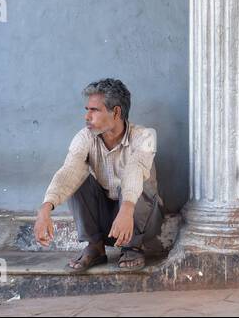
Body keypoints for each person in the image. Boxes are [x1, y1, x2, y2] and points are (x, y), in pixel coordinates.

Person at [34, 78, 164, 271]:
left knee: (142, 180)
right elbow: (69, 171)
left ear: (116, 112)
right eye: (86, 110)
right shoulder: (85, 137)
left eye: (94, 110)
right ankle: (95, 247)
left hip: (140, 218)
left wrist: (127, 209)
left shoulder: (144, 136)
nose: (87, 116)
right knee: (78, 178)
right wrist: (45, 208)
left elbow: (134, 171)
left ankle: (132, 246)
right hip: (107, 219)